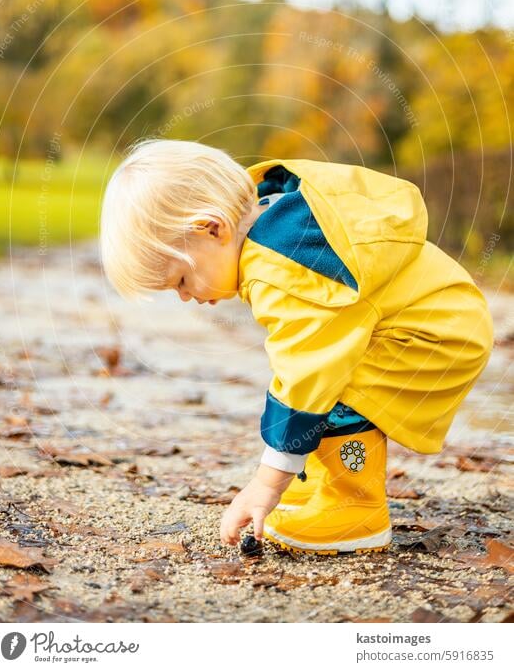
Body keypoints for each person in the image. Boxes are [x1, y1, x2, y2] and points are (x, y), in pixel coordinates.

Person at [100, 138, 494, 555]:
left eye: (180, 280)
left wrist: (267, 483)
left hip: (430, 335)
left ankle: (354, 509)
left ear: (212, 228)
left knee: (329, 386)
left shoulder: (282, 268)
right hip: (447, 317)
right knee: (326, 380)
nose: (184, 297)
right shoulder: (282, 217)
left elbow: (306, 373)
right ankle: (327, 492)